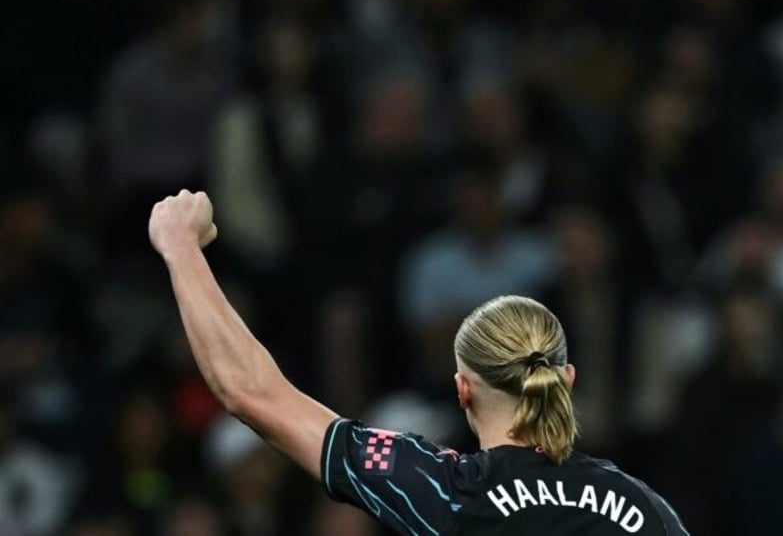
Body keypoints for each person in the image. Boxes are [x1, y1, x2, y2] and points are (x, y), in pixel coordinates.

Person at [148, 189, 689, 535]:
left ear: (463, 390)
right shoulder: (646, 509)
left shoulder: (439, 487)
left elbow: (251, 392)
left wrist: (181, 248)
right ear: (566, 380)